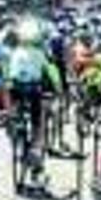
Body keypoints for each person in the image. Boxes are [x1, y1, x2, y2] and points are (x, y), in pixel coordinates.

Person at [8, 19, 61, 172]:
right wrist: (58, 88)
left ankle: (14, 129)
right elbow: (51, 71)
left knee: (14, 112)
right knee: (37, 123)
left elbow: (8, 72)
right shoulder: (40, 53)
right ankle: (35, 152)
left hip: (15, 89)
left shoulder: (15, 52)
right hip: (33, 90)